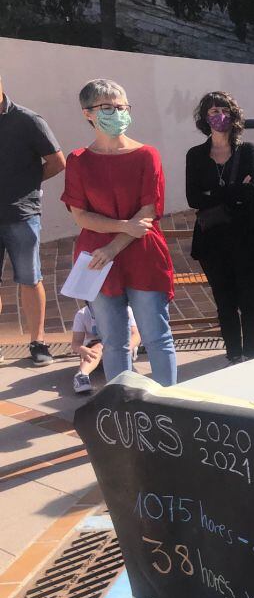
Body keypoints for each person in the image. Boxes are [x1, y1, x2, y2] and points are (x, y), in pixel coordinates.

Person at [60, 79, 176, 386]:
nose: (117, 112)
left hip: (141, 255)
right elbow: (81, 215)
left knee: (156, 337)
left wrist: (113, 247)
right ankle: (124, 411)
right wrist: (123, 227)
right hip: (97, 261)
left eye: (122, 106)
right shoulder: (78, 160)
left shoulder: (147, 155)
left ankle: (167, 407)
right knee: (114, 342)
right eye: (107, 107)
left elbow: (148, 210)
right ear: (88, 113)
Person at [185, 91, 254, 364]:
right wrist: (234, 190)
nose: (218, 115)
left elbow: (252, 190)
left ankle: (253, 356)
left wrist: (214, 192)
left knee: (249, 301)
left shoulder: (248, 151)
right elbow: (193, 198)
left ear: (233, 115)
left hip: (248, 237)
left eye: (223, 109)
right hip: (213, 240)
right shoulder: (196, 155)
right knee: (224, 302)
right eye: (212, 111)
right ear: (204, 118)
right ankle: (234, 355)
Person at [0, 73, 66, 365]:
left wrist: (28, 183)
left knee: (30, 278)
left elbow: (57, 162)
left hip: (21, 215)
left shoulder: (28, 120)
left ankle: (38, 342)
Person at [70, 301, 140, 394]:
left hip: (121, 345)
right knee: (100, 346)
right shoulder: (82, 314)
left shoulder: (125, 310)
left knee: (107, 345)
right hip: (94, 350)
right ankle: (81, 375)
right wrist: (83, 349)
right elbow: (75, 343)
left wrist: (125, 349)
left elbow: (136, 335)